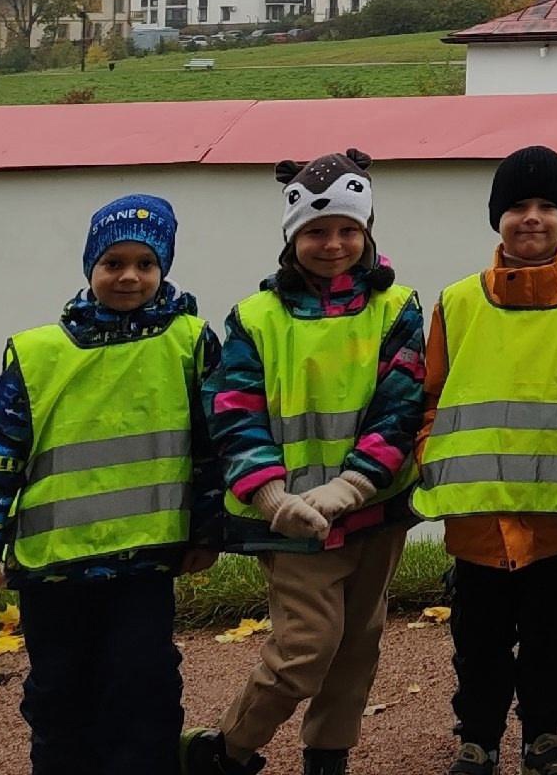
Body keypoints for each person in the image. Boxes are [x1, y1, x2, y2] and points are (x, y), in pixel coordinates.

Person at [0, 193, 221, 775]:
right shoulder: (40, 352)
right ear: (90, 266)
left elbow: (213, 444)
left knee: (142, 688)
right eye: (112, 262)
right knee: (59, 696)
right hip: (55, 569)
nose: (128, 276)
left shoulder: (191, 342)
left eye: (144, 264)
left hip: (145, 563)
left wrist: (208, 528)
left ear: (163, 268)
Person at [185, 153, 427, 775]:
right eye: (316, 232)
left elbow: (401, 405)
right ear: (293, 237)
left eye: (349, 230)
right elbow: (234, 414)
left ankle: (328, 755)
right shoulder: (255, 317)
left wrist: (354, 485)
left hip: (371, 508)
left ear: (367, 231)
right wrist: (271, 498)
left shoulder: (397, 308)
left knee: (356, 644)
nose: (334, 244)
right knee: (304, 648)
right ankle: (229, 749)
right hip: (288, 519)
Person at [415, 144, 557, 775]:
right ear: (498, 217)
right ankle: (477, 739)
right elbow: (430, 397)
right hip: (478, 517)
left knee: (550, 641)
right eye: (518, 205)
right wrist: (428, 458)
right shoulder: (457, 301)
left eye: (547, 205)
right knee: (477, 643)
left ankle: (545, 738)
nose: (532, 218)